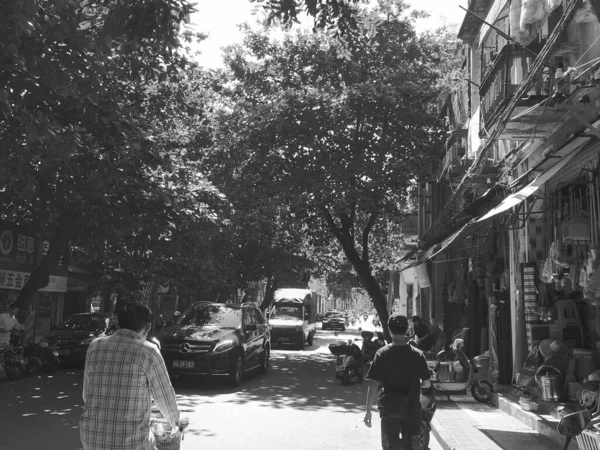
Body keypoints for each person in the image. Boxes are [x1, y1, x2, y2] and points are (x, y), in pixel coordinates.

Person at [80, 303, 180, 450]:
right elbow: (165, 398)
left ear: (119, 323)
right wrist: (177, 423)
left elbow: (86, 394)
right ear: (147, 328)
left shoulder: (95, 346)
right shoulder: (149, 352)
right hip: (131, 443)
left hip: (91, 439)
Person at [363, 314, 432, 450]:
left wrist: (368, 410)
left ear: (389, 330)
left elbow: (373, 383)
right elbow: (427, 383)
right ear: (407, 329)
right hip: (412, 410)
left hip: (390, 410)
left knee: (389, 447)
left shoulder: (382, 353)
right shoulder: (417, 354)